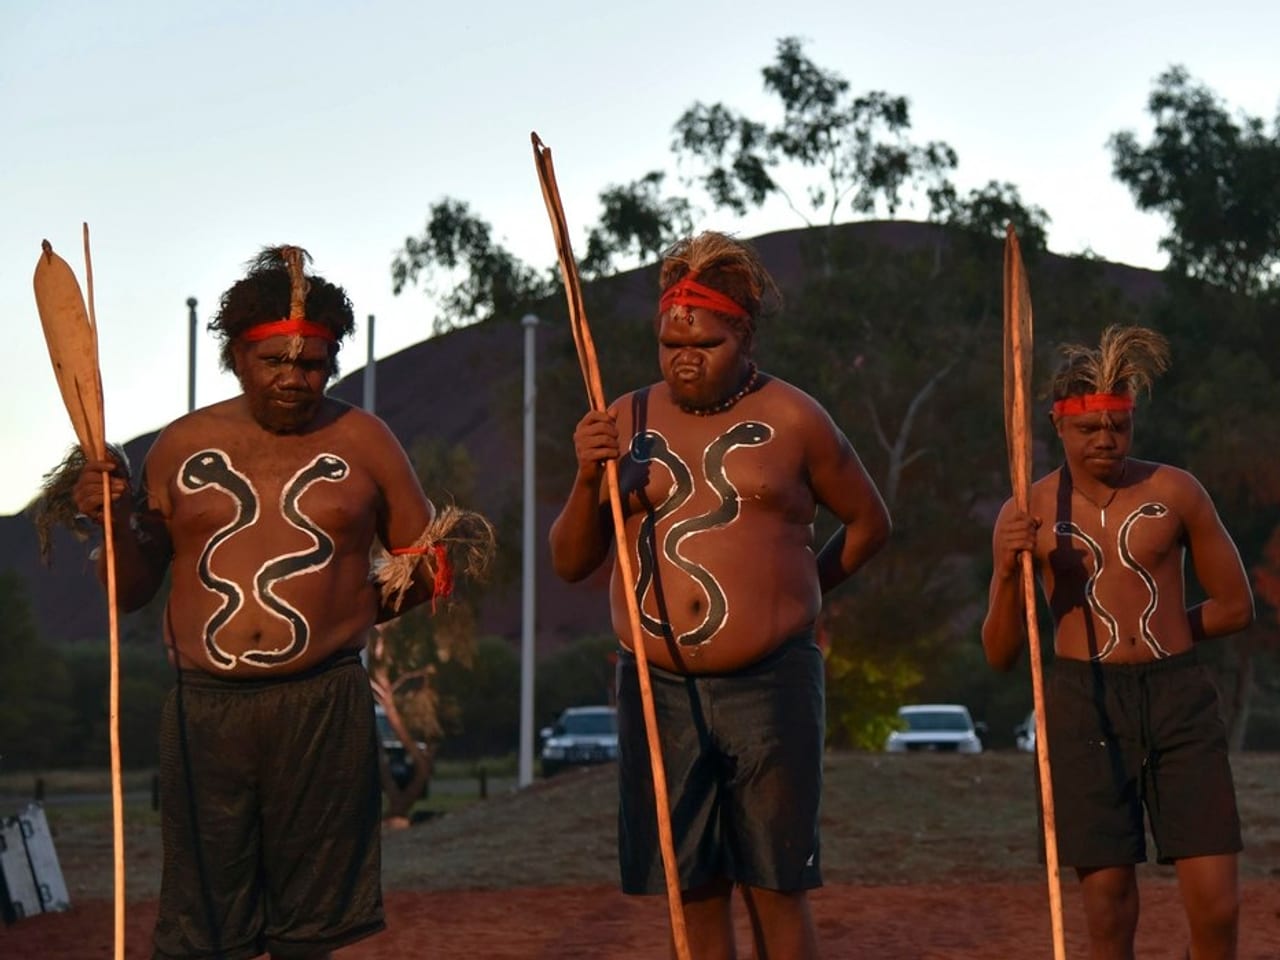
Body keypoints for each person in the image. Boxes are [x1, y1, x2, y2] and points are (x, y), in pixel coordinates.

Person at [66, 246, 491, 960]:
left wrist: (348, 613)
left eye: (313, 363)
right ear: (238, 357)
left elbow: (432, 565)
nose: (296, 379)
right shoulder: (181, 445)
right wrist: (105, 519)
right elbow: (131, 589)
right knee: (206, 929)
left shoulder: (365, 440)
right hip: (206, 710)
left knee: (311, 928)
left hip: (323, 704)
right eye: (276, 363)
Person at [549, 231, 891, 959]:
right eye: (670, 342)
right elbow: (570, 561)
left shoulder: (797, 418)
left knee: (776, 886)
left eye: (703, 342)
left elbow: (869, 522)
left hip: (772, 683)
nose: (683, 357)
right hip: (658, 687)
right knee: (692, 891)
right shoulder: (624, 421)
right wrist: (587, 479)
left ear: (743, 332)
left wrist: (804, 592)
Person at [982, 324, 1254, 960]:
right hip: (1084, 703)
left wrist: (1165, 636)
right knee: (1108, 911)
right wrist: (1003, 569)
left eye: (1118, 427)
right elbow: (999, 654)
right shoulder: (1029, 511)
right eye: (1088, 429)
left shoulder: (1176, 491)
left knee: (1218, 906)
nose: (1105, 440)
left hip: (1178, 696)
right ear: (1058, 424)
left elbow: (1236, 605)